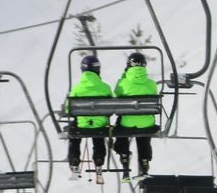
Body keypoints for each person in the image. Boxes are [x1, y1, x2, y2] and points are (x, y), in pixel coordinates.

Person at [111, 51, 159, 181]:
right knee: (143, 135)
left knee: (122, 130)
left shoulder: (122, 83)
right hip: (147, 123)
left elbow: (116, 96)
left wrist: (124, 76)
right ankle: (144, 164)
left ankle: (124, 158)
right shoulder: (152, 84)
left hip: (127, 123)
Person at [65, 54, 113, 183]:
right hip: (99, 125)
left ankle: (74, 160)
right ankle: (99, 160)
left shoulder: (76, 88)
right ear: (98, 69)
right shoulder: (105, 88)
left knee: (74, 135)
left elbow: (67, 110)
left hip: (82, 125)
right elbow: (112, 108)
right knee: (98, 134)